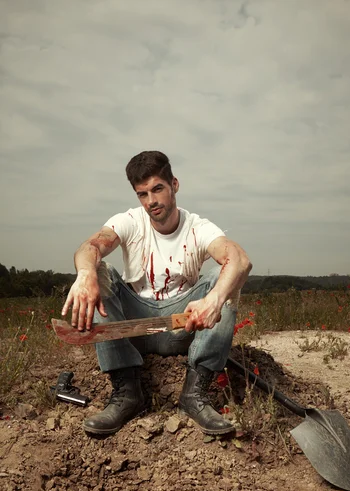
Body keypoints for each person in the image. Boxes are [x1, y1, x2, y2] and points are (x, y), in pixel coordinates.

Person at [62, 151, 252, 436]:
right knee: (99, 271)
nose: (151, 201)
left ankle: (194, 395)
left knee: (225, 278)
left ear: (174, 184)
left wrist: (214, 299)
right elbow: (89, 247)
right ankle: (127, 393)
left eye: (157, 189)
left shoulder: (198, 228)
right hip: (134, 328)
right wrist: (86, 274)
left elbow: (240, 260)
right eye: (142, 194)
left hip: (183, 325)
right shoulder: (129, 221)